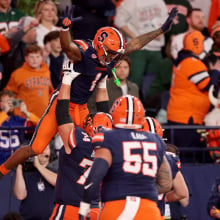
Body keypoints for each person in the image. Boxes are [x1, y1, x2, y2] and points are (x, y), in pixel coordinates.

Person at [0, 6, 178, 178]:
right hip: (62, 102)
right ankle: (2, 170)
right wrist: (65, 28)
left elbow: (136, 44)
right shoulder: (84, 54)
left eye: (115, 54)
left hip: (82, 106)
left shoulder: (111, 55)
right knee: (36, 148)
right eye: (110, 53)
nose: (113, 57)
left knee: (100, 142)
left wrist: (161, 30)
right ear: (100, 46)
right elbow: (68, 47)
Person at [79, 94, 172, 219]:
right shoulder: (155, 140)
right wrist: (142, 190)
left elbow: (96, 174)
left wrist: (85, 204)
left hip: (118, 205)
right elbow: (166, 183)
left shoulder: (108, 137)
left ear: (115, 114)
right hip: (149, 210)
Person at [50, 66, 112, 219]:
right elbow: (105, 115)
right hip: (95, 209)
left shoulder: (79, 138)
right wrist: (102, 83)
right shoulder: (112, 145)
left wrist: (67, 80)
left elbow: (62, 113)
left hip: (70, 207)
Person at [166, 30, 219, 163]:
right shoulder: (191, 62)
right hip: (186, 119)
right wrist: (216, 72)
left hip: (183, 117)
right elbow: (206, 85)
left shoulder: (185, 61)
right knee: (186, 161)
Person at [114, 0, 168, 91]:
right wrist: (136, 38)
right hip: (138, 49)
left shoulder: (160, 2)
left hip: (157, 48)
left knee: (153, 84)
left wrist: (162, 31)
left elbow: (166, 22)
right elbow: (118, 20)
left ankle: (145, 104)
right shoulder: (130, 2)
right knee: (135, 81)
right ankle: (129, 103)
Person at [143, 117, 189, 219]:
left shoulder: (125, 154)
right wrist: (162, 198)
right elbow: (182, 193)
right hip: (157, 213)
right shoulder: (169, 158)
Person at [5, 44, 54, 118]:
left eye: (37, 57)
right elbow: (7, 97)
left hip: (44, 117)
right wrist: (18, 107)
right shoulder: (17, 74)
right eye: (31, 57)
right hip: (24, 117)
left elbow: (51, 93)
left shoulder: (47, 72)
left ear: (42, 58)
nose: (35, 60)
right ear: (26, 58)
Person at [13, 144, 57, 220]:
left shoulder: (55, 171)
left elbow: (57, 182)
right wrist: (19, 166)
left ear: (50, 152)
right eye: (40, 149)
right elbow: (20, 195)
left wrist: (38, 165)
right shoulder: (26, 173)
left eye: (46, 149)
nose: (43, 151)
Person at [0, 90, 39, 165]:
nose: (10, 104)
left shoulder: (18, 119)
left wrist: (26, 112)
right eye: (7, 102)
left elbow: (40, 126)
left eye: (12, 102)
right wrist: (4, 112)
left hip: (16, 161)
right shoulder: (1, 117)